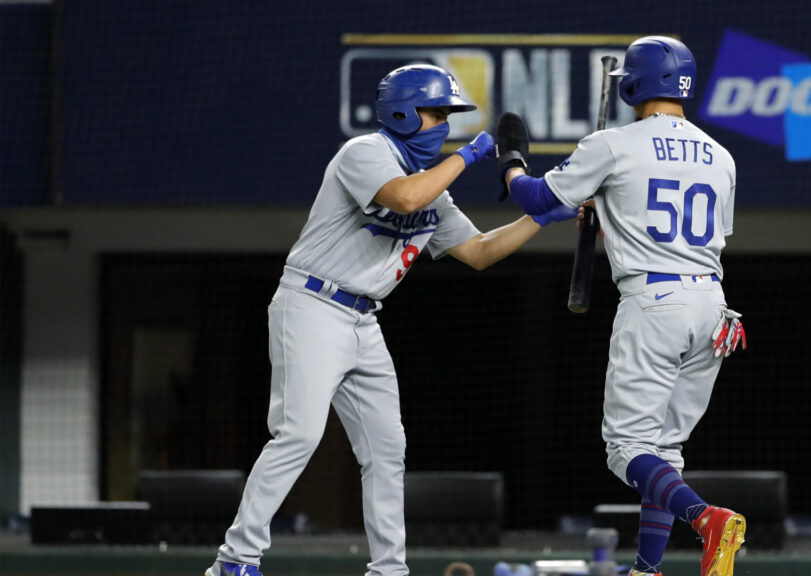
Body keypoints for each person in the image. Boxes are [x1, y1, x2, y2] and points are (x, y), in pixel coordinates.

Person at [205, 64, 577, 576]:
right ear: (401, 111)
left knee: (387, 449)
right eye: (435, 113)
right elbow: (404, 197)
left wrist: (538, 217)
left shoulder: (434, 192)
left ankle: (388, 569)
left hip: (363, 320)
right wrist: (469, 156)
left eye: (449, 115)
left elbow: (479, 252)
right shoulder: (365, 153)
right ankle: (235, 560)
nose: (445, 125)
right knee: (298, 434)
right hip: (312, 303)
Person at [497, 37, 748, 576]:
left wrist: (511, 164)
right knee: (664, 451)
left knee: (625, 449)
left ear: (635, 84)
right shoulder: (722, 156)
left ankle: (706, 519)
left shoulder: (612, 143)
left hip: (655, 302)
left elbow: (538, 200)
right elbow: (690, 231)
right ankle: (646, 569)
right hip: (714, 307)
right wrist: (607, 207)